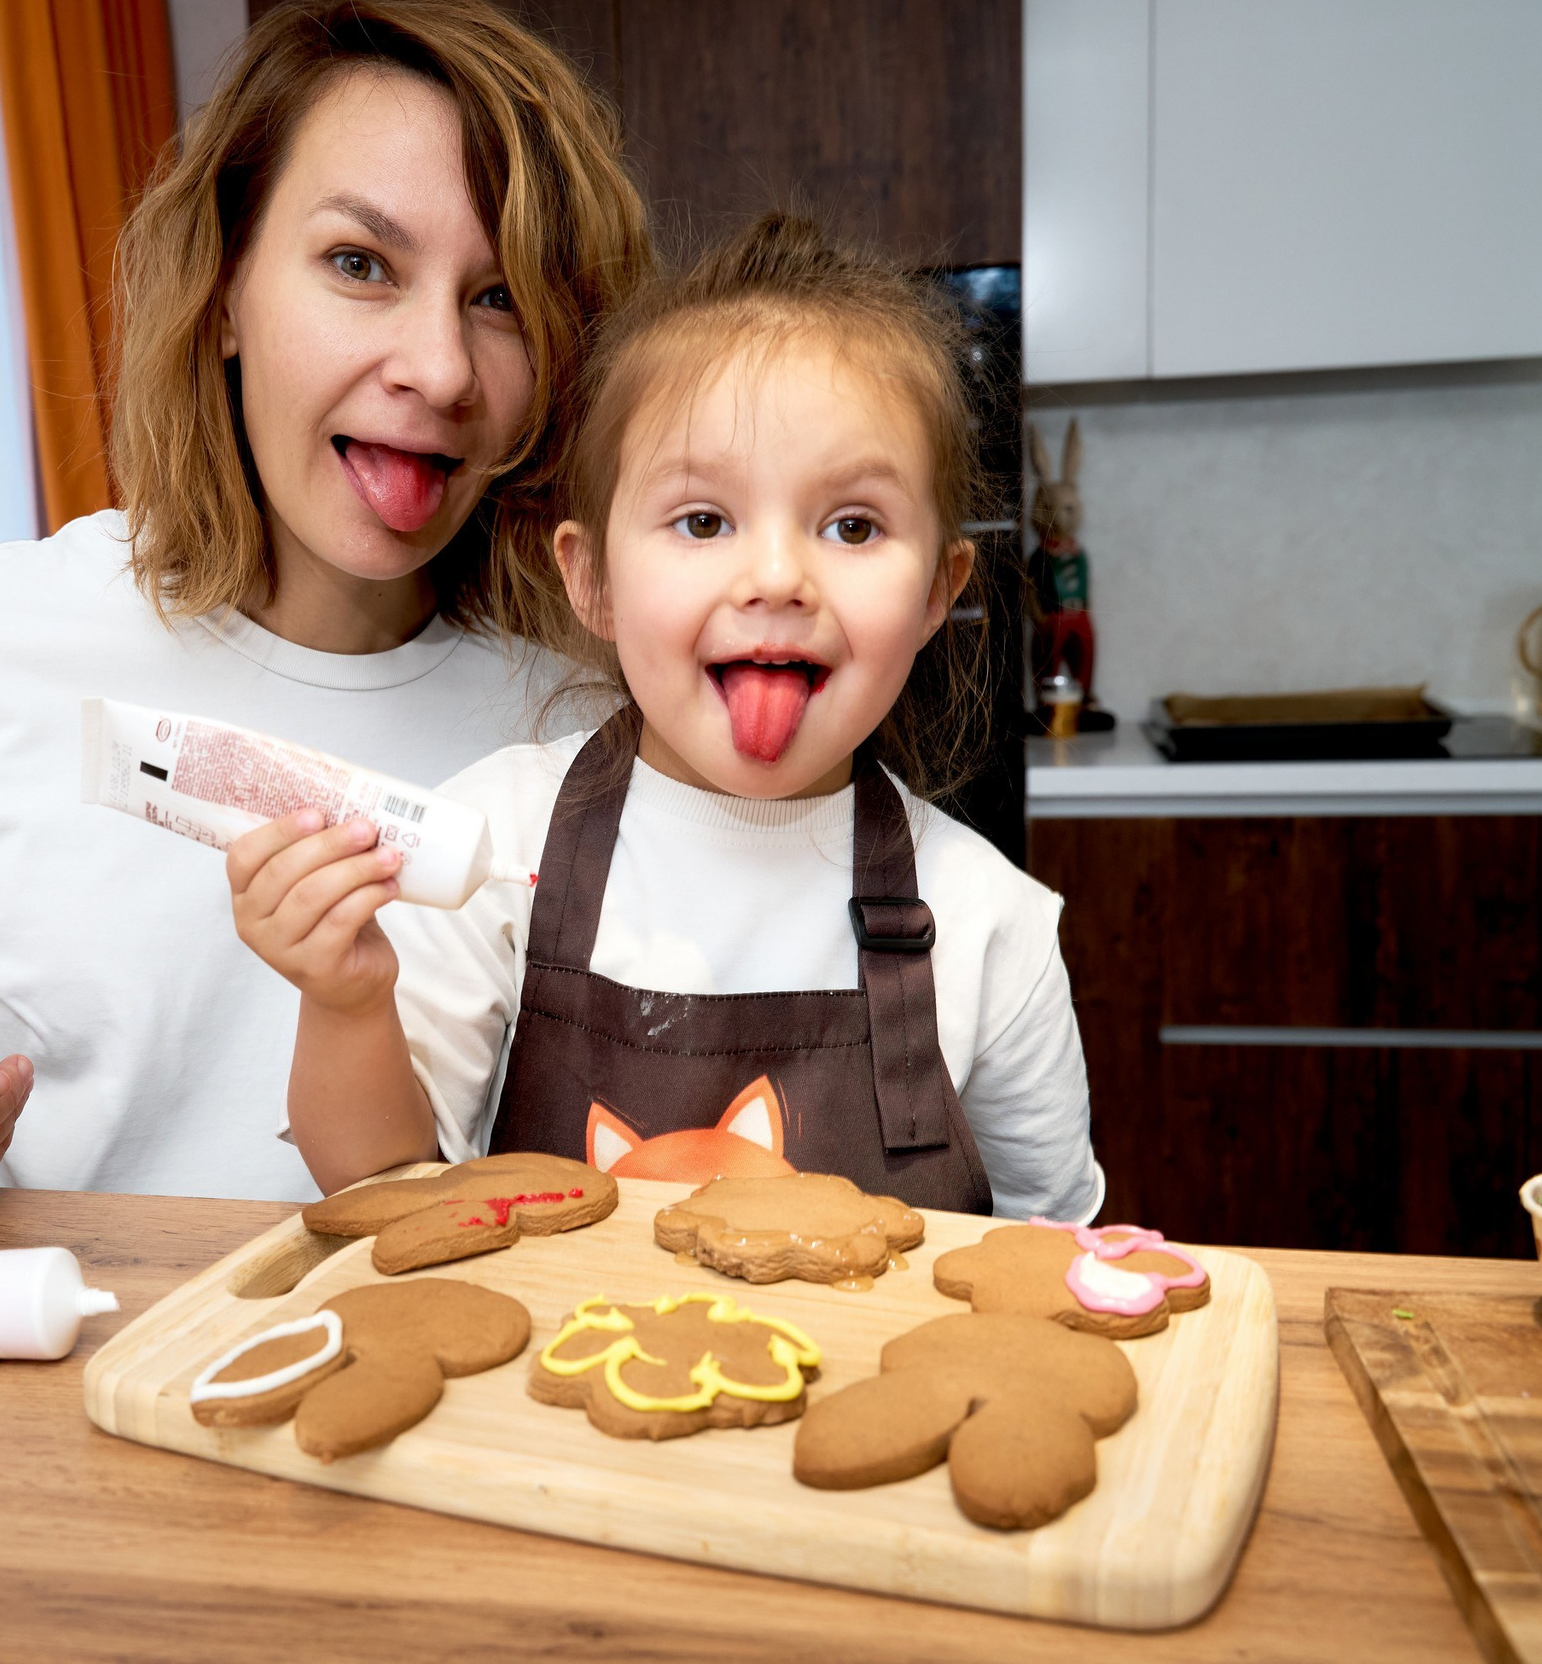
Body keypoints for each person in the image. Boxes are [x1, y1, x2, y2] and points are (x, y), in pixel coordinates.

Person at [0, 0, 652, 1213]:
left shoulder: (588, 728)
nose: (441, 368)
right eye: (359, 265)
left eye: (500, 295)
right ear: (227, 290)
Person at [229, 215, 1104, 1219]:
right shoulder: (497, 843)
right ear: (591, 578)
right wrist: (342, 1001)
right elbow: (378, 1188)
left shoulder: (991, 923)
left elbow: (1052, 1244)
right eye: (703, 521)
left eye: (851, 526)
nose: (776, 577)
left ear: (936, 591)